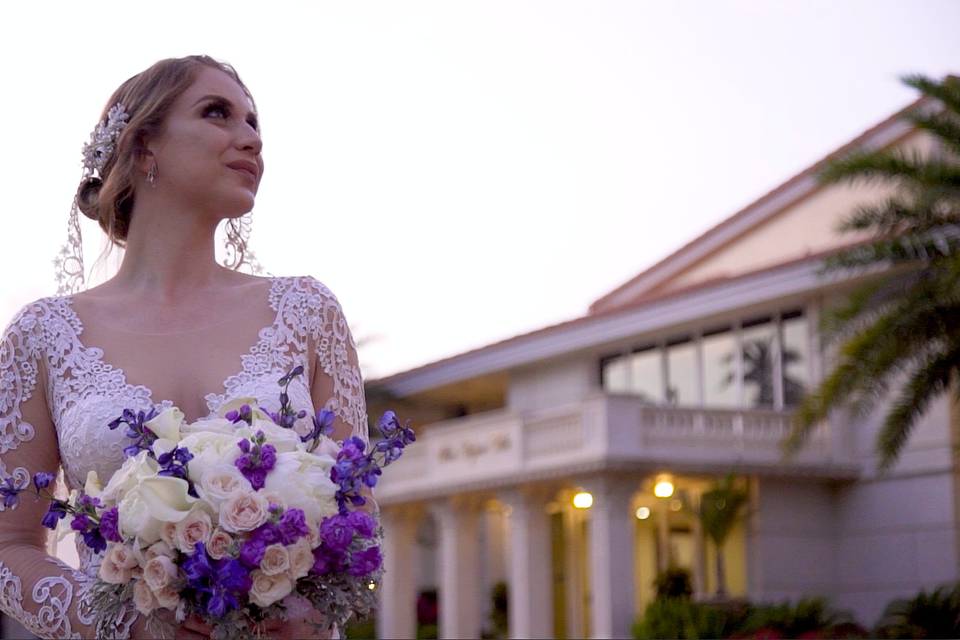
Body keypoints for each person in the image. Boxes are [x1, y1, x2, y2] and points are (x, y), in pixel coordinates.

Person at [0, 55, 374, 639]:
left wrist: (304, 609)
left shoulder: (307, 313)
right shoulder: (44, 336)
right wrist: (124, 623)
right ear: (143, 146)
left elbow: (358, 517)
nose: (250, 138)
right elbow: (10, 543)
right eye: (217, 113)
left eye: (254, 123)